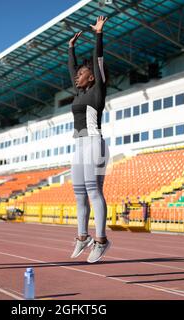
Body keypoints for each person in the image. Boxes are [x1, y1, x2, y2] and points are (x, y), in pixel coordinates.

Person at [68, 16, 111, 263]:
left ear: (92, 77)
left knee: (94, 191)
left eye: (82, 74)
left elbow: (97, 62)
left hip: (95, 143)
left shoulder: (97, 91)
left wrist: (98, 35)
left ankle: (102, 240)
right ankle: (82, 236)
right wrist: (71, 49)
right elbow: (72, 71)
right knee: (79, 194)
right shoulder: (79, 93)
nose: (77, 76)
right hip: (79, 145)